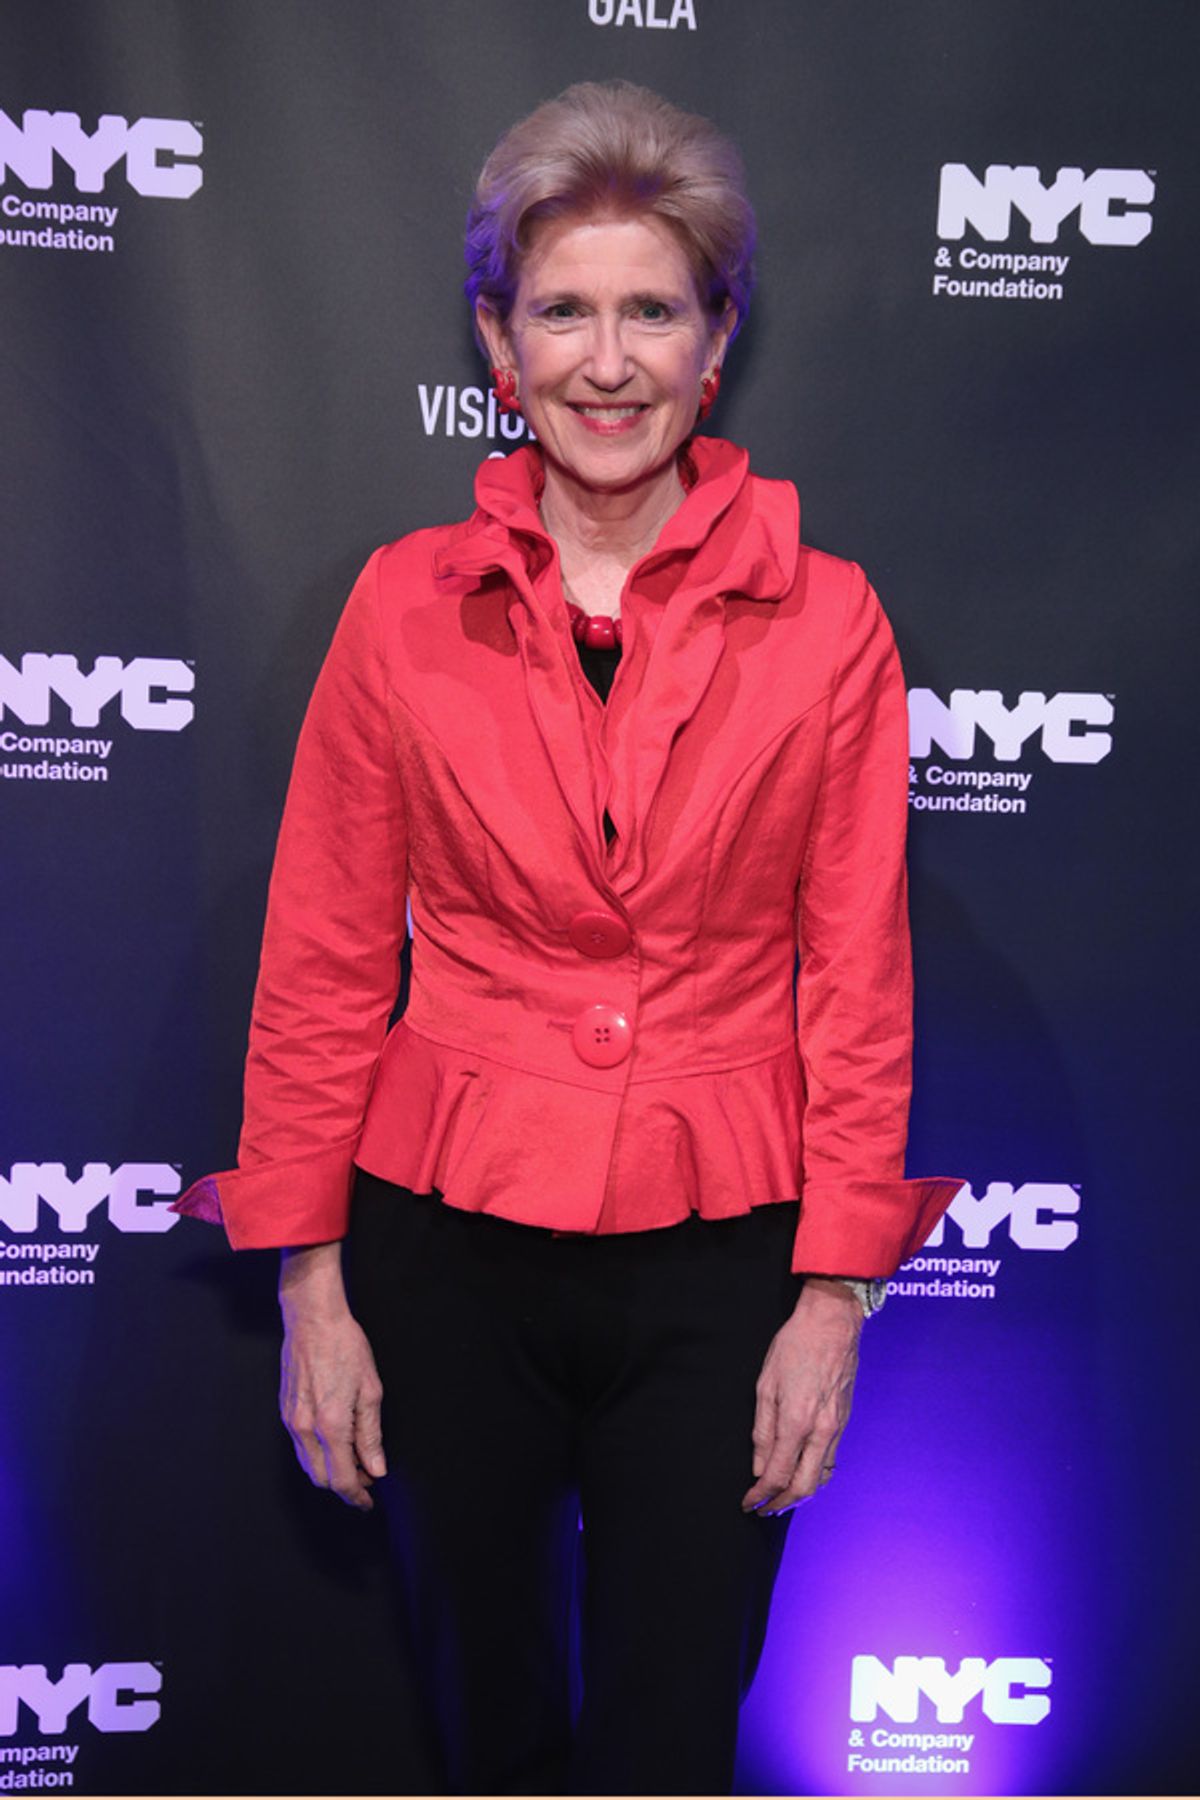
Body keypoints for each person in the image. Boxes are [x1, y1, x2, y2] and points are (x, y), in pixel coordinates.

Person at [176, 79, 960, 1797]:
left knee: (673, 1729)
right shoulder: (400, 605)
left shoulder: (832, 624)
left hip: (723, 1257)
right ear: (497, 337)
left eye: (652, 311)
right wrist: (314, 1288)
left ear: (717, 337)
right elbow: (319, 961)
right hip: (447, 1250)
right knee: (489, 1720)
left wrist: (832, 1299)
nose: (607, 362)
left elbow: (859, 978)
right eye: (564, 313)